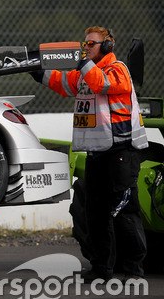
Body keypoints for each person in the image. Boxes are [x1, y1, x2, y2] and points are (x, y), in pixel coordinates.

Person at [31, 26, 147, 280]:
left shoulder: (118, 71)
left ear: (106, 46)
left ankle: (132, 270)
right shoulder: (85, 72)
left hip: (121, 153)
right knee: (95, 214)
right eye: (85, 44)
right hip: (97, 154)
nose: (85, 48)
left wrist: (83, 62)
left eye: (91, 44)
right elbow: (62, 82)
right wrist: (35, 70)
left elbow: (100, 83)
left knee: (125, 212)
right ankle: (101, 269)